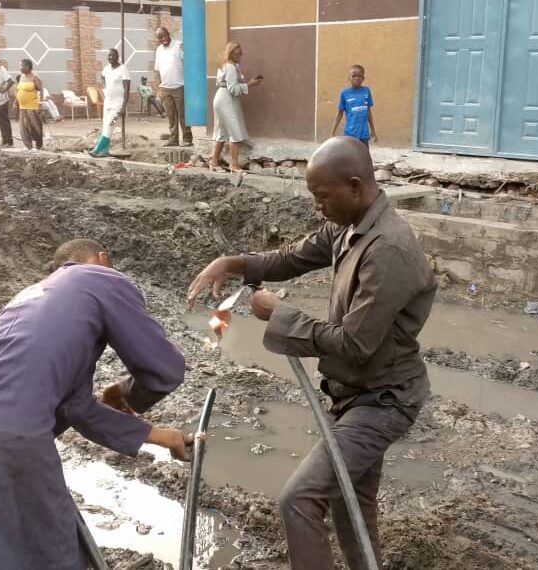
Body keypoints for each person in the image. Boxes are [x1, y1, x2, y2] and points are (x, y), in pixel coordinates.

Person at [187, 137, 437, 570]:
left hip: (384, 399)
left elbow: (355, 344)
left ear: (355, 186)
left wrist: (281, 315)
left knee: (299, 499)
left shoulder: (388, 249)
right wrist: (232, 262)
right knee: (350, 501)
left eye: (322, 196)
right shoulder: (349, 225)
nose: (317, 207)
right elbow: (291, 258)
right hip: (357, 393)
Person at [0, 238, 192, 570]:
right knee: (54, 556)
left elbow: (78, 409)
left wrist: (164, 437)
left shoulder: (30, 298)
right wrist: (127, 394)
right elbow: (164, 368)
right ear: (102, 258)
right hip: (18, 438)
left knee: (0, 556)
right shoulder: (101, 278)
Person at [210, 42, 261, 173]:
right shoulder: (231, 67)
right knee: (235, 132)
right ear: (231, 53)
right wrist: (249, 84)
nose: (240, 56)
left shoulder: (225, 65)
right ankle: (234, 165)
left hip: (220, 98)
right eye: (238, 53)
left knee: (222, 133)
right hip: (227, 100)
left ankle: (214, 162)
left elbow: (222, 83)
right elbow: (233, 89)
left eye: (241, 53)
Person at [154, 27, 193, 147]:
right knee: (171, 116)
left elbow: (188, 64)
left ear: (168, 34)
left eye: (164, 36)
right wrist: (159, 88)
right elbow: (157, 70)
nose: (163, 39)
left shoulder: (179, 45)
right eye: (160, 37)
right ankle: (173, 139)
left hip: (179, 86)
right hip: (165, 88)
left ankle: (187, 138)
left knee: (183, 115)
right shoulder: (159, 50)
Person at [89, 48, 130, 158]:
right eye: (109, 56)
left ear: (117, 57)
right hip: (108, 102)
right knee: (105, 126)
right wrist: (104, 86)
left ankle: (97, 149)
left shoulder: (123, 69)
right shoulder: (106, 69)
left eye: (113, 55)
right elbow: (102, 76)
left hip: (118, 104)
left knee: (109, 126)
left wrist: (124, 106)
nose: (110, 58)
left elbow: (127, 88)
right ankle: (104, 151)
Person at [330, 65, 377, 147]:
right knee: (350, 156)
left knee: (364, 156)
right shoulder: (344, 93)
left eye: (359, 76)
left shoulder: (366, 91)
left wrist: (373, 131)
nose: (356, 78)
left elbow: (368, 112)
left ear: (363, 78)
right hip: (350, 134)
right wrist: (332, 132)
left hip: (364, 133)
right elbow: (340, 114)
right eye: (354, 76)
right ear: (349, 78)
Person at [14, 58, 43, 151]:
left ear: (28, 66)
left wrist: (40, 104)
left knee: (35, 126)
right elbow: (19, 90)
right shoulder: (21, 77)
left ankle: (38, 145)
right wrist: (15, 102)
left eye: (22, 66)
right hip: (22, 107)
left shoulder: (34, 77)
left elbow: (41, 90)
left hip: (32, 106)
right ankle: (28, 146)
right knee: (23, 127)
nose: (20, 67)